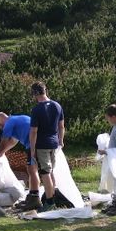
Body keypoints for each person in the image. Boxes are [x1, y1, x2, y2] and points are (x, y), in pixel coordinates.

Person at [29, 81, 71, 209]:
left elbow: (34, 131)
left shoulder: (36, 109)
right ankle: (52, 196)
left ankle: (50, 202)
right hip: (54, 143)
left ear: (35, 94)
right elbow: (61, 126)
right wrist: (61, 140)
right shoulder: (57, 106)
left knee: (45, 173)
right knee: (51, 171)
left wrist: (32, 149)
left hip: (42, 144)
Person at [0, 113, 41, 210]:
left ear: (0, 119)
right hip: (39, 142)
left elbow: (4, 141)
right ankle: (33, 195)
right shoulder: (16, 120)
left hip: (34, 145)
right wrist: (2, 152)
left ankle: (34, 198)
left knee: (32, 170)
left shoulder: (8, 123)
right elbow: (13, 141)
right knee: (33, 170)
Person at [98, 104, 116, 216]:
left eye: (108, 118)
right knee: (115, 182)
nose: (107, 120)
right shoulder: (115, 128)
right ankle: (115, 202)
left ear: (113, 117)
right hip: (113, 160)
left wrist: (105, 152)